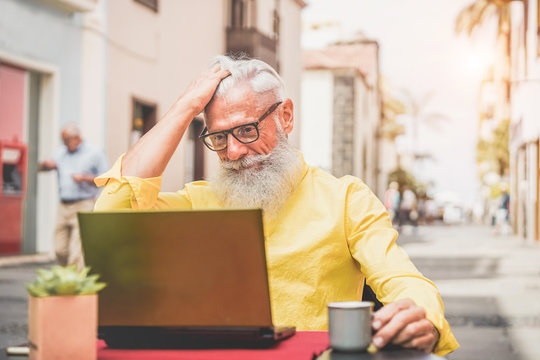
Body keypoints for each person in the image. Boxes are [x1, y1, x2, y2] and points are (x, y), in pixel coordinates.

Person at [94, 56, 458, 356]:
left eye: (247, 130)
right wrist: (184, 108)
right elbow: (112, 217)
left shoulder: (345, 199)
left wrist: (419, 313)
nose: (233, 152)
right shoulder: (197, 201)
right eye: (218, 138)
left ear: (285, 116)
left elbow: (404, 280)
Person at [39, 123, 109, 269]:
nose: (64, 144)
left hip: (84, 204)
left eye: (67, 140)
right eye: (63, 140)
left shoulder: (94, 153)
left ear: (77, 138)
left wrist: (84, 178)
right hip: (63, 206)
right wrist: (46, 165)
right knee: (60, 249)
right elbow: (41, 168)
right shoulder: (61, 153)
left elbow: (106, 178)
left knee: (76, 251)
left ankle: (74, 283)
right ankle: (68, 275)